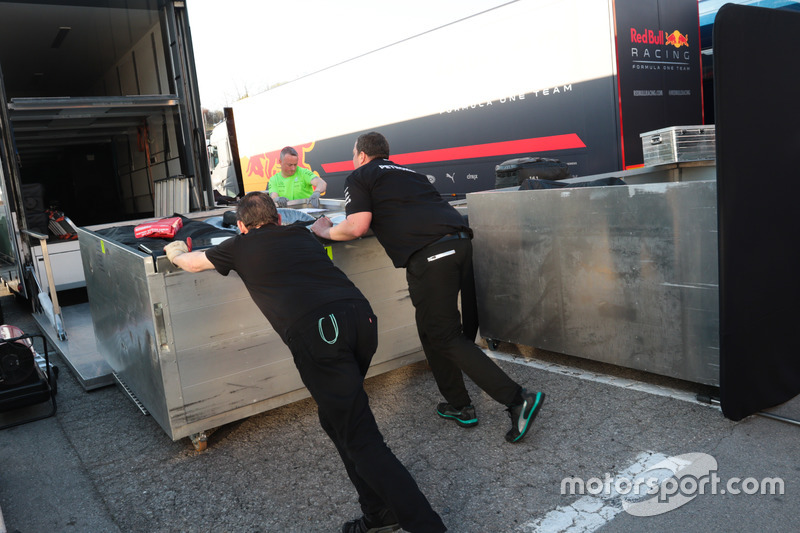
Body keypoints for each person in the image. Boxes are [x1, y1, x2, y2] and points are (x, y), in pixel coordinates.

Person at [164, 192, 446, 533]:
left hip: (320, 334)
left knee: (360, 438)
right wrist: (322, 223)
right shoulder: (299, 232)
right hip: (360, 320)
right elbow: (320, 225)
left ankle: (426, 526)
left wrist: (176, 252)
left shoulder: (239, 246)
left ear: (241, 226)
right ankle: (377, 513)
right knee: (336, 420)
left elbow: (193, 263)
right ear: (278, 218)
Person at [311, 132, 545, 444]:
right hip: (460, 245)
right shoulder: (410, 173)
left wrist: (324, 231)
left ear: (363, 155)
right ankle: (460, 405)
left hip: (432, 256)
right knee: (432, 332)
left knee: (444, 335)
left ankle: (517, 399)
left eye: (354, 154)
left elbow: (356, 226)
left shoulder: (360, 176)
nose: (354, 159)